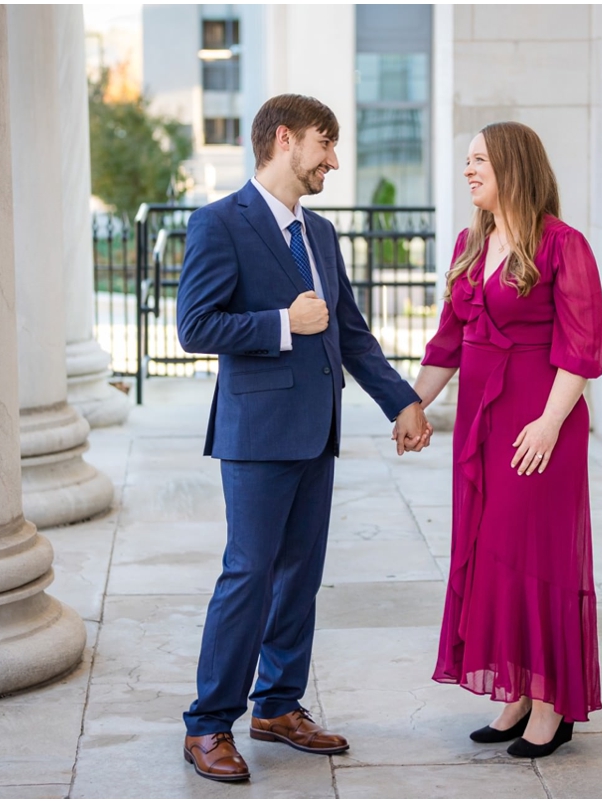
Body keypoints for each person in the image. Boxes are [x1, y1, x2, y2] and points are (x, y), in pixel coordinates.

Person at [175, 93, 431, 783]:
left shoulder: (320, 234)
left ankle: (278, 705)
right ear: (284, 140)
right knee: (248, 575)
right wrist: (282, 323)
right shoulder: (218, 223)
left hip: (317, 432)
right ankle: (207, 722)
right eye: (325, 144)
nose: (333, 160)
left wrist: (401, 401)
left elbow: (348, 330)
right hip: (256, 434)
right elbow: (195, 326)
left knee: (301, 578)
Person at [409, 121, 602, 758]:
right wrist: (413, 404)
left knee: (539, 557)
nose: (468, 171)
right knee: (492, 551)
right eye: (466, 160)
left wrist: (549, 424)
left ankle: (552, 705)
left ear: (514, 167)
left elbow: (580, 349)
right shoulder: (473, 242)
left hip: (539, 420)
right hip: (482, 423)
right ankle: (516, 695)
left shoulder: (562, 245)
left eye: (480, 161)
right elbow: (446, 343)